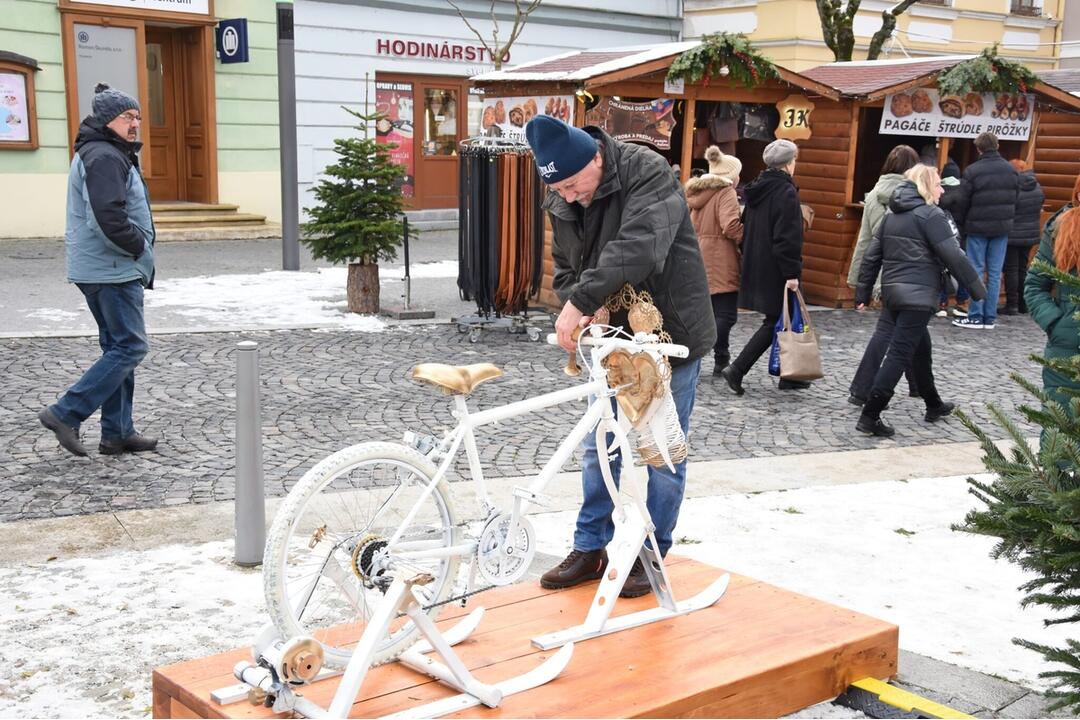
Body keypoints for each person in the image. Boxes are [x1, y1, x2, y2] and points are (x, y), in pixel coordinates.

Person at [524, 115, 715, 598]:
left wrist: (583, 300)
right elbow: (567, 269)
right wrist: (585, 298)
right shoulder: (562, 193)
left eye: (572, 185)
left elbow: (641, 247)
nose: (567, 197)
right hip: (612, 340)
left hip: (670, 331)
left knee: (662, 449)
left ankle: (651, 553)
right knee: (599, 444)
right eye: (558, 189)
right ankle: (591, 547)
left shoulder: (646, 170)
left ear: (595, 157)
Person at [38, 83, 156, 457]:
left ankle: (117, 432)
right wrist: (139, 246)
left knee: (117, 347)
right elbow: (106, 218)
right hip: (112, 269)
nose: (135, 123)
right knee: (130, 347)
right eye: (127, 117)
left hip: (103, 268)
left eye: (137, 116)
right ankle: (65, 412)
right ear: (108, 121)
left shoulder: (105, 150)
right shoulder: (104, 155)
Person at [855, 165, 985, 437]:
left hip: (894, 294)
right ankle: (871, 414)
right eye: (938, 185)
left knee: (920, 348)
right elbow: (954, 255)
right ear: (927, 186)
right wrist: (977, 291)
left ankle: (933, 403)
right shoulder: (931, 215)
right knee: (899, 354)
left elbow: (871, 257)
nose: (942, 190)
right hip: (919, 296)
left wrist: (863, 293)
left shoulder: (892, 216)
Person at [719, 139, 806, 395]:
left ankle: (789, 375)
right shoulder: (786, 192)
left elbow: (746, 227)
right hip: (778, 267)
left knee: (785, 319)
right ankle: (737, 369)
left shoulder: (757, 189)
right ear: (789, 163)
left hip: (758, 263)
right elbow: (787, 237)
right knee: (776, 320)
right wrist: (792, 273)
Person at [846, 145, 921, 406]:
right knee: (894, 332)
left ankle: (921, 388)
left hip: (884, 274)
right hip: (907, 275)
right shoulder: (914, 198)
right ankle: (862, 387)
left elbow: (865, 241)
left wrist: (860, 282)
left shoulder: (875, 193)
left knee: (914, 332)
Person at [1024, 175, 1080, 423]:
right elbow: (1035, 285)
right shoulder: (1062, 228)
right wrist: (1056, 324)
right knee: (1060, 426)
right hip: (1067, 346)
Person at [685, 145, 743, 375]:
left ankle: (721, 357)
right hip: (720, 258)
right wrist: (747, 237)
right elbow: (730, 226)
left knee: (706, 311)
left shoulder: (697, 193)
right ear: (731, 176)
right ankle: (701, 354)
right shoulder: (725, 192)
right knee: (726, 314)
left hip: (699, 254)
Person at [952, 132, 1019, 330]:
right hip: (1002, 228)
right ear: (997, 146)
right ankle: (989, 317)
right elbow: (1015, 198)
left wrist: (963, 223)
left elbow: (962, 201)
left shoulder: (973, 171)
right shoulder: (1011, 170)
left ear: (978, 148)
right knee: (996, 272)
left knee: (976, 270)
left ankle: (974, 315)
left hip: (977, 227)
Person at [1001, 159, 1044, 315]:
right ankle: (1023, 304)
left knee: (1011, 270)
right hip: (1030, 234)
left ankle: (1012, 304)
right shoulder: (1038, 188)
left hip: (1013, 234)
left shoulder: (1014, 189)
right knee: (1022, 269)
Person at [938, 164, 971, 317]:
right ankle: (962, 303)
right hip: (961, 235)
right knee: (961, 268)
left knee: (941, 269)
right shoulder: (966, 191)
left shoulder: (938, 189)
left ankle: (941, 304)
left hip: (942, 235)